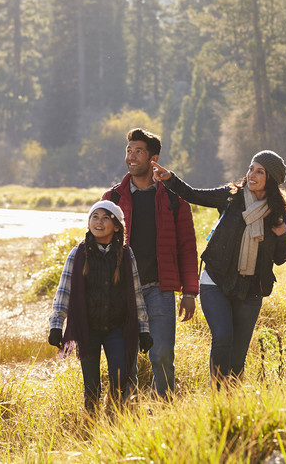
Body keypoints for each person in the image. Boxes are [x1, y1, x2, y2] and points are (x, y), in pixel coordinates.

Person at [152, 150, 286, 385]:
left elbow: (280, 259)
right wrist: (171, 179)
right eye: (251, 168)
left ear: (272, 179)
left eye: (260, 171)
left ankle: (231, 400)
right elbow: (193, 194)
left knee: (238, 356)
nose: (252, 175)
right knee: (223, 337)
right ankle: (218, 396)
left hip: (251, 290)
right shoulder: (231, 196)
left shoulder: (277, 212)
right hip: (215, 280)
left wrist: (284, 237)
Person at [102, 128, 199, 398]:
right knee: (125, 357)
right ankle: (125, 410)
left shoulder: (174, 199)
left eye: (138, 152)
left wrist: (190, 292)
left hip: (160, 288)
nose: (131, 157)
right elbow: (100, 249)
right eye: (128, 151)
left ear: (153, 159)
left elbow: (187, 248)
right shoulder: (112, 199)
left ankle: (165, 405)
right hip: (123, 290)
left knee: (162, 353)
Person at [48, 200, 153, 412]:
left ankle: (113, 413)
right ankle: (90, 424)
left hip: (117, 328)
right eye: (95, 217)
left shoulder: (126, 255)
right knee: (91, 386)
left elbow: (136, 293)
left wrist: (143, 330)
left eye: (106, 218)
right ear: (88, 222)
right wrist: (56, 325)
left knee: (120, 377)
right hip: (88, 330)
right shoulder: (77, 254)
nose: (99, 222)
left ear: (116, 226)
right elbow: (64, 291)